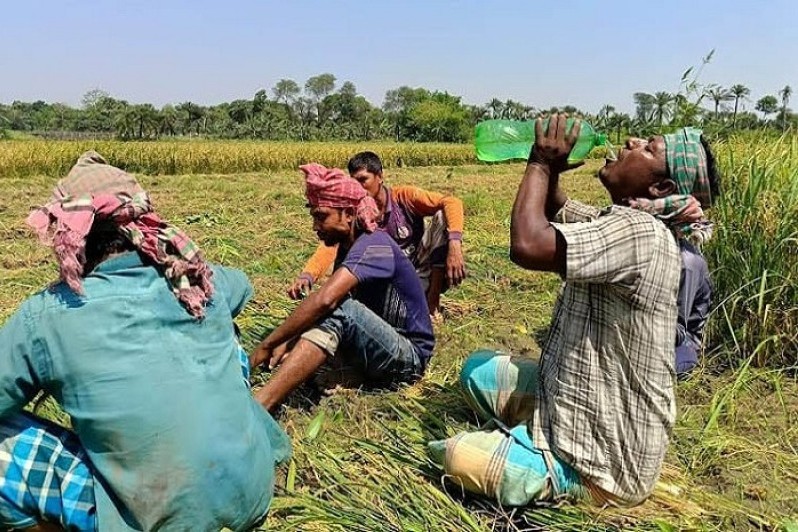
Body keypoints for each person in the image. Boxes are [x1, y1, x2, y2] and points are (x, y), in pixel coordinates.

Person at [429, 117, 719, 507]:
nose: (631, 140)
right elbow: (555, 207)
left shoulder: (642, 234)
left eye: (647, 147)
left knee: (455, 455)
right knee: (475, 371)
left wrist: (539, 161)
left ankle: (573, 482)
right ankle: (537, 427)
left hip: (609, 460)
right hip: (574, 396)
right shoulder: (621, 221)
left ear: (660, 187)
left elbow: (528, 244)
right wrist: (552, 172)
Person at [0, 152, 290, 531]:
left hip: (160, 520)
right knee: (226, 335)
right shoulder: (198, 282)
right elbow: (242, 287)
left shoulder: (47, 314)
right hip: (252, 495)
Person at [252, 163, 435, 412]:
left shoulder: (374, 245)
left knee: (339, 309)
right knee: (323, 319)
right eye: (314, 216)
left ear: (349, 214)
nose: (315, 227)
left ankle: (260, 405)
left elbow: (326, 301)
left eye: (321, 216)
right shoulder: (348, 248)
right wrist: (289, 341)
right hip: (377, 342)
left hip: (408, 358)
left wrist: (267, 345)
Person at [287, 151, 466, 314]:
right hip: (383, 279)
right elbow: (332, 244)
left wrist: (455, 245)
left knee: (443, 217)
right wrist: (308, 275)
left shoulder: (403, 197)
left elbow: (452, 202)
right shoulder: (355, 211)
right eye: (354, 181)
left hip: (418, 270)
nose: (359, 187)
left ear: (380, 177)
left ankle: (432, 303)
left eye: (363, 180)